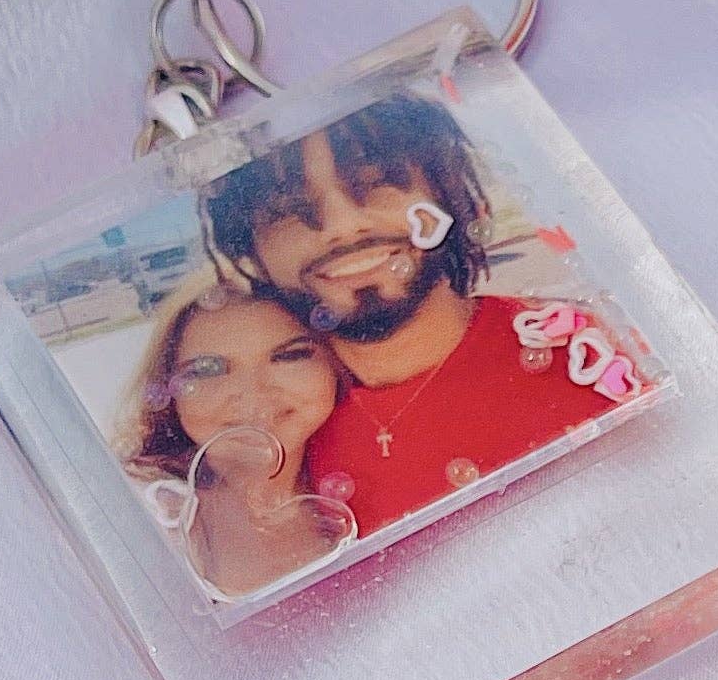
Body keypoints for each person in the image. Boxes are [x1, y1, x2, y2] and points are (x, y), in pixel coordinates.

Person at [198, 95, 634, 539]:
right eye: (285, 210)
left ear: (449, 196)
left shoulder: (598, 361)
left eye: (376, 183)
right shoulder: (278, 424)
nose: (342, 226)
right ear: (252, 252)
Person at [115, 282, 350, 596]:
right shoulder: (137, 513)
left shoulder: (366, 473)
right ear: (169, 389)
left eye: (289, 355)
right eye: (208, 369)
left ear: (334, 365)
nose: (253, 394)